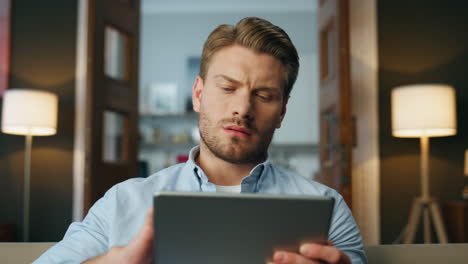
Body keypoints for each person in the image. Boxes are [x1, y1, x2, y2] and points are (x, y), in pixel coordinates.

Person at [34, 17, 367, 264]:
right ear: (198, 94)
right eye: (227, 88)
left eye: (264, 95)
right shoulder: (124, 202)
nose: (242, 108)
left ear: (281, 112)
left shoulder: (328, 207)